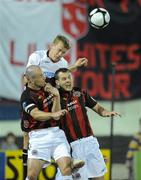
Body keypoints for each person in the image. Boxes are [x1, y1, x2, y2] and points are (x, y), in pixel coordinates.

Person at [23, 34, 88, 176]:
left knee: (65, 120)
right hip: (34, 102)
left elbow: (60, 80)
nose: (60, 54)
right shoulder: (36, 57)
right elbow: (27, 80)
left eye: (63, 52)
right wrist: (47, 85)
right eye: (58, 50)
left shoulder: (63, 64)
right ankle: (25, 157)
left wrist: (72, 69)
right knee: (27, 132)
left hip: (52, 103)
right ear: (51, 45)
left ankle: (68, 157)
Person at [54, 68, 121, 180]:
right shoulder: (55, 99)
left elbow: (97, 107)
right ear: (57, 82)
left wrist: (106, 112)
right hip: (71, 145)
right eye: (64, 78)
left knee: (99, 177)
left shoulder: (81, 93)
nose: (67, 80)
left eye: (69, 77)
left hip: (90, 141)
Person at [20, 65, 73, 180]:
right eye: (40, 76)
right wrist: (52, 115)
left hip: (56, 133)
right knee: (32, 175)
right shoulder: (26, 96)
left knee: (66, 169)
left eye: (43, 74)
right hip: (38, 137)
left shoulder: (47, 83)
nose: (44, 77)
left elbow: (61, 75)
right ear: (31, 80)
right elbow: (36, 114)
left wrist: (57, 96)